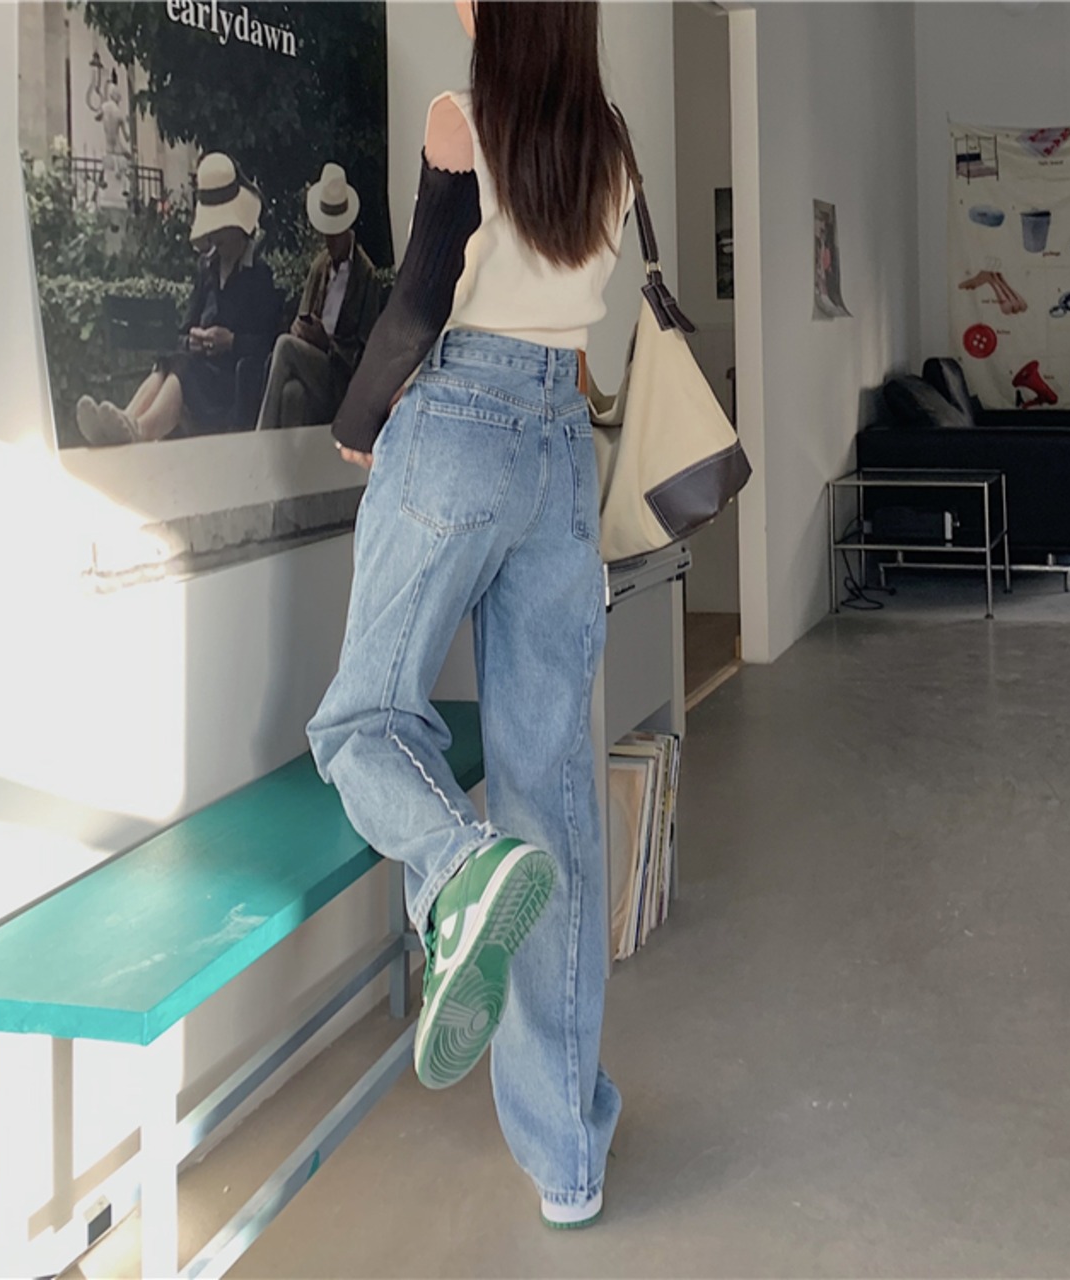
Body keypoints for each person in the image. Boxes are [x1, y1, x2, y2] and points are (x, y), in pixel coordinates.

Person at [306, 0, 634, 1230]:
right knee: (552, 792)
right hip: (559, 443)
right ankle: (568, 1164)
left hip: (456, 422)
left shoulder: (462, 119)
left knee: (361, 723)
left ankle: (457, 866)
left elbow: (419, 301)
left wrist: (357, 422)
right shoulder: (607, 139)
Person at [76, 153, 281, 446]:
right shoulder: (207, 269)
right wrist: (192, 340)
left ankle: (140, 431)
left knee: (185, 368)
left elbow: (268, 343)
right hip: (197, 369)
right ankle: (126, 419)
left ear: (239, 228)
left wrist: (231, 341)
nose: (216, 238)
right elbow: (182, 332)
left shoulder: (258, 276)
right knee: (172, 361)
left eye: (222, 230)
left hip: (229, 385)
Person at [255, 162, 381, 430]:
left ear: (347, 228)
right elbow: (301, 321)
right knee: (292, 395)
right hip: (312, 366)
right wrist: (302, 330)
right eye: (327, 233)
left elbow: (366, 349)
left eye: (335, 233)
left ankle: (260, 435)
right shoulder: (319, 266)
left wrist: (329, 343)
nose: (330, 240)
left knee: (284, 346)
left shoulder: (365, 275)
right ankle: (282, 457)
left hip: (341, 375)